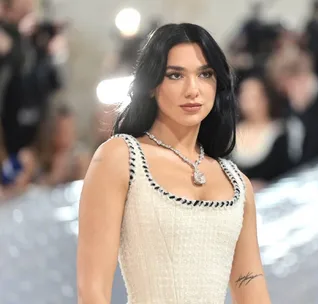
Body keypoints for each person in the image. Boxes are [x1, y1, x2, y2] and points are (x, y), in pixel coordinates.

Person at [77, 23, 271, 304]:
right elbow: (92, 292)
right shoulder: (120, 157)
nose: (193, 90)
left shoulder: (238, 183)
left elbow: (251, 285)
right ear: (152, 85)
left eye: (205, 74)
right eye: (175, 75)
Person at [231, 74, 291, 192]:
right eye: (245, 96)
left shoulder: (279, 132)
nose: (248, 102)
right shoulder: (230, 135)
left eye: (254, 97)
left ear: (266, 98)